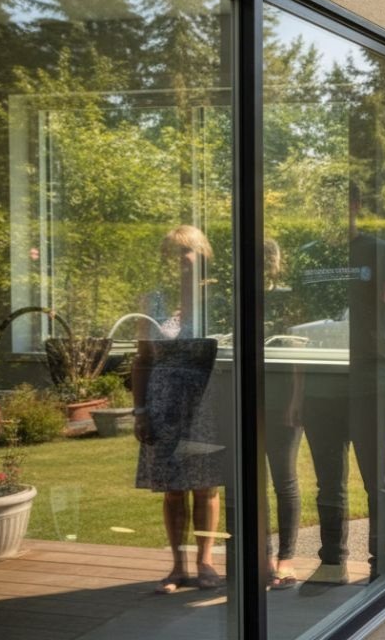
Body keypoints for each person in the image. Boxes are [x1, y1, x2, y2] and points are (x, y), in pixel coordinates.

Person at [295, 183, 385, 589]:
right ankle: (331, 561)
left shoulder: (380, 253)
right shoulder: (310, 257)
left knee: (376, 480)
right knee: (328, 481)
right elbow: (298, 328)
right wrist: (296, 391)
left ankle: (383, 565)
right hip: (319, 385)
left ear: (356, 206)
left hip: (369, 382)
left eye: (338, 203)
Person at [133, 225, 225, 594]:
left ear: (202, 254)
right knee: (172, 488)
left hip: (206, 401)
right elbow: (141, 358)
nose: (179, 260)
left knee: (205, 485)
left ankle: (206, 562)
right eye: (172, 253)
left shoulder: (217, 299)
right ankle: (177, 566)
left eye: (185, 251)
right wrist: (140, 409)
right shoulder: (152, 300)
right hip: (163, 402)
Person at [262, 237, 301, 590]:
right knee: (249, 482)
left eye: (265, 259)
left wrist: (294, 401)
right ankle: (261, 558)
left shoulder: (288, 299)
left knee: (284, 480)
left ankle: (285, 560)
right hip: (247, 398)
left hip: (282, 399)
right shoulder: (235, 298)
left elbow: (299, 354)